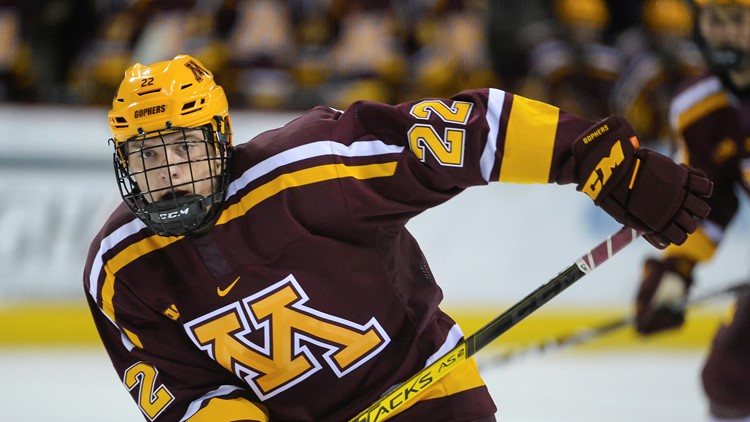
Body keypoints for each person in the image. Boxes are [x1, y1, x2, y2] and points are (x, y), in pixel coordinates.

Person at [84, 53, 711, 422]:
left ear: (220, 140)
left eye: (183, 152)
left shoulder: (312, 169)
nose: (167, 179)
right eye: (146, 159)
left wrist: (589, 155)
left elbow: (468, 132)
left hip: (427, 392)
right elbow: (190, 397)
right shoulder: (119, 270)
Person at [633, 0, 750, 420]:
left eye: (737, 19)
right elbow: (711, 203)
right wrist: (677, 269)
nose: (724, 32)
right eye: (714, 19)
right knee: (730, 378)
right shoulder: (700, 107)